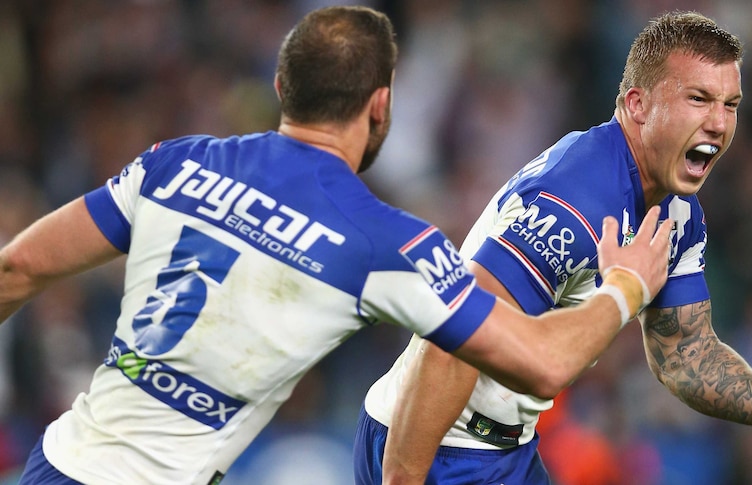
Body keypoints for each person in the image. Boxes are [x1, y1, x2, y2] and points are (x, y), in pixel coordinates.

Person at [0, 6, 677, 485]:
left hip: (59, 464)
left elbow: (18, 266)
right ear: (381, 105)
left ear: (279, 87)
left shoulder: (173, 163)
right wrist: (626, 286)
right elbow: (540, 362)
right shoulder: (388, 241)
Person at [355, 10, 752, 485]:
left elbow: (684, 351)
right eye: (698, 99)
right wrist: (403, 479)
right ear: (638, 105)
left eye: (730, 104)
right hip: (436, 450)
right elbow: (455, 338)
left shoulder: (676, 212)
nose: (719, 123)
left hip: (503, 448)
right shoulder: (578, 201)